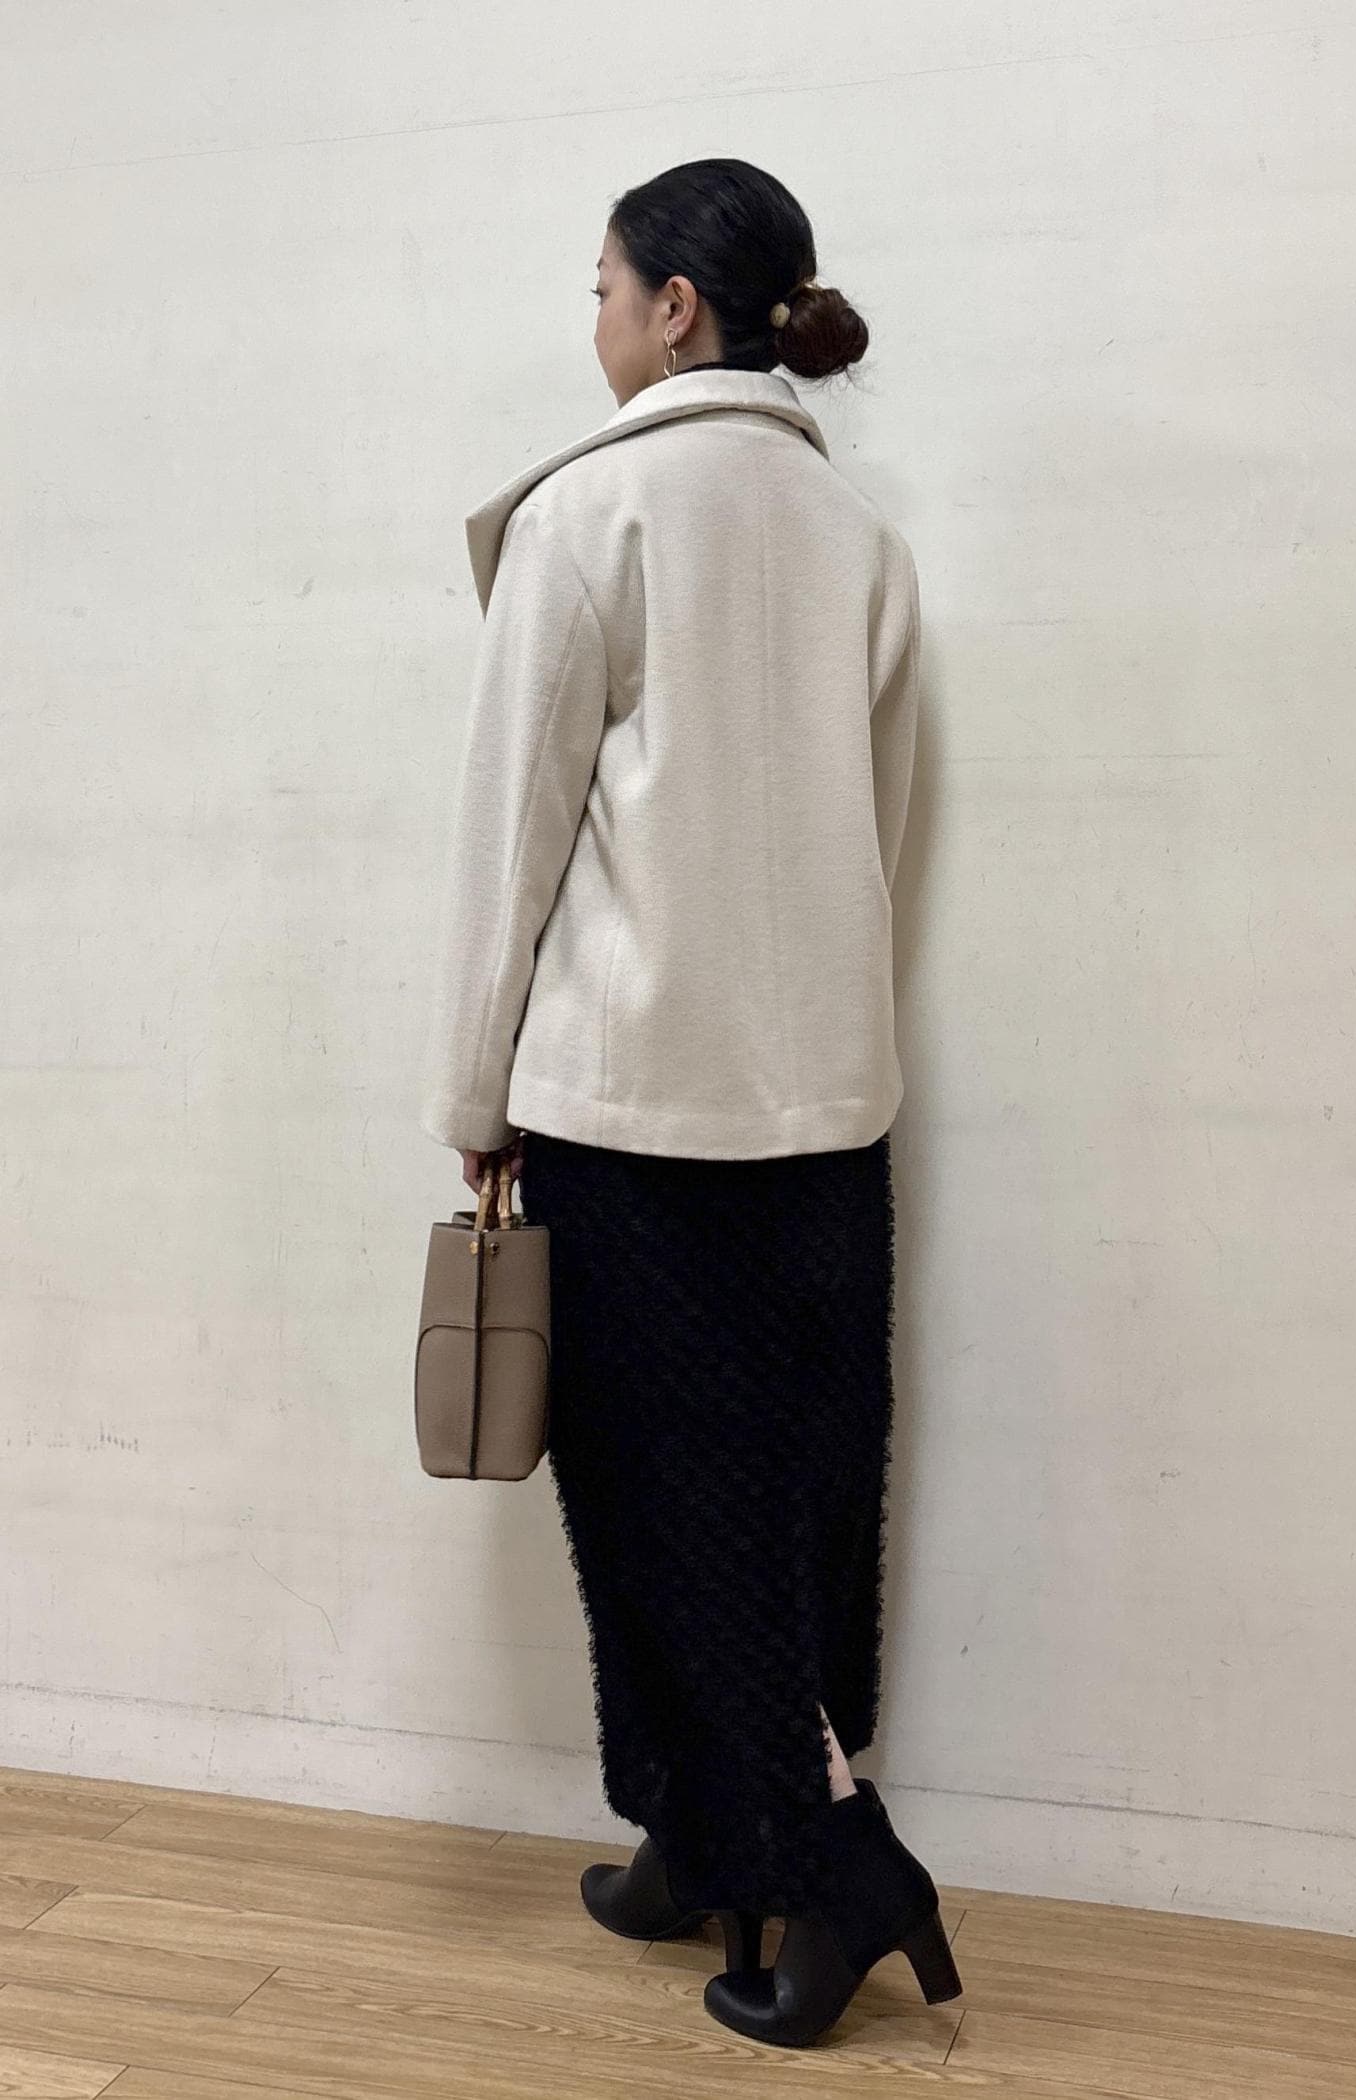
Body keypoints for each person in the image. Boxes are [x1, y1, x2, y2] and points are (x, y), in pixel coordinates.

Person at [418, 156, 961, 2047]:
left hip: (631, 1111)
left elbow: (512, 838)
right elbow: (883, 839)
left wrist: (473, 1083)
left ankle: (832, 1873)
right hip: (825, 1116)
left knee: (665, 1515)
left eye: (601, 287)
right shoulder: (862, 542)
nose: (591, 321)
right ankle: (689, 1834)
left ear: (673, 310)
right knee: (792, 1501)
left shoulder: (590, 514)